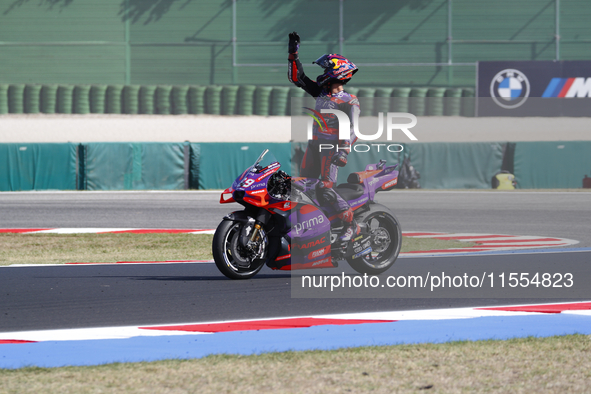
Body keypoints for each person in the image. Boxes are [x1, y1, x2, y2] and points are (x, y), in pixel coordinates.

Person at [287, 31, 361, 242]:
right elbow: (297, 78)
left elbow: (355, 128)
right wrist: (293, 54)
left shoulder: (350, 100)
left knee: (325, 189)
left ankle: (351, 225)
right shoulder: (320, 92)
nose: (323, 72)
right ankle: (315, 227)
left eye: (327, 68)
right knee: (301, 188)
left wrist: (344, 151)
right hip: (313, 146)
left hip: (331, 150)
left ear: (338, 72)